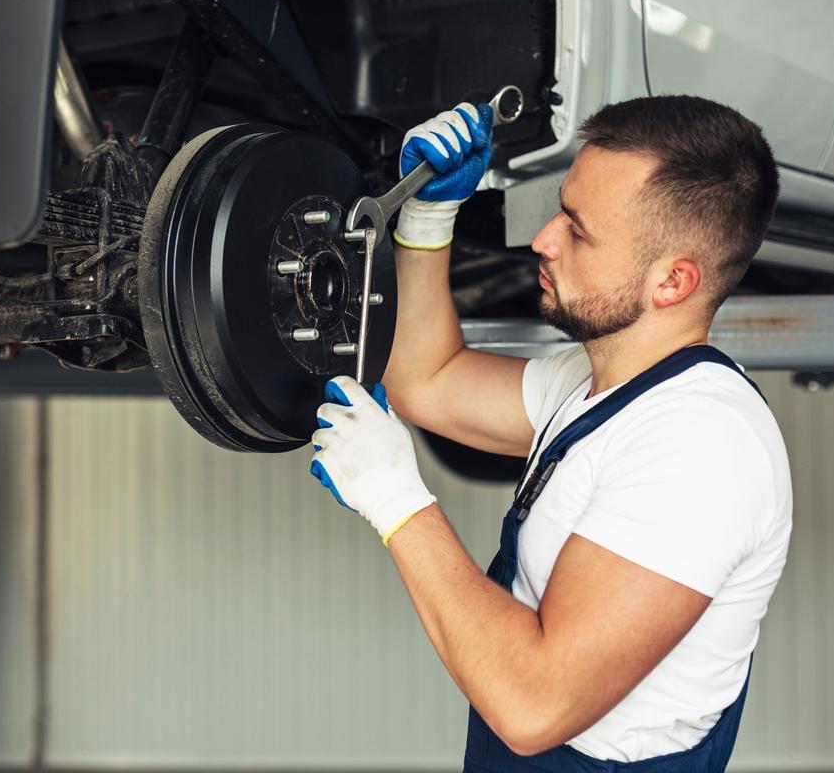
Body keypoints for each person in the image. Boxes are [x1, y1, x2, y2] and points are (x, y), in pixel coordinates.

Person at [307, 95, 793, 771]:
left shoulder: (701, 449)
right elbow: (429, 382)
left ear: (673, 281)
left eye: (579, 229)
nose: (543, 238)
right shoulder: (602, 381)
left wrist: (398, 502)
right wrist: (427, 218)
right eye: (562, 208)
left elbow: (534, 706)